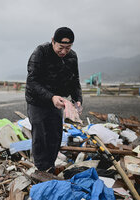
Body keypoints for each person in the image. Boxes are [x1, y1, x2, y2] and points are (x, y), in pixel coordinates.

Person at [25, 27, 83, 173]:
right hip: (37, 100)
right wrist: (51, 97)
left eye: (68, 48)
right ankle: (40, 169)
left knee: (55, 135)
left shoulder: (72, 57)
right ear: (53, 41)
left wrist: (77, 100)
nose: (64, 52)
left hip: (57, 100)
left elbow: (74, 81)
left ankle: (49, 166)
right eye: (60, 47)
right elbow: (32, 81)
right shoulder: (40, 52)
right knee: (40, 135)